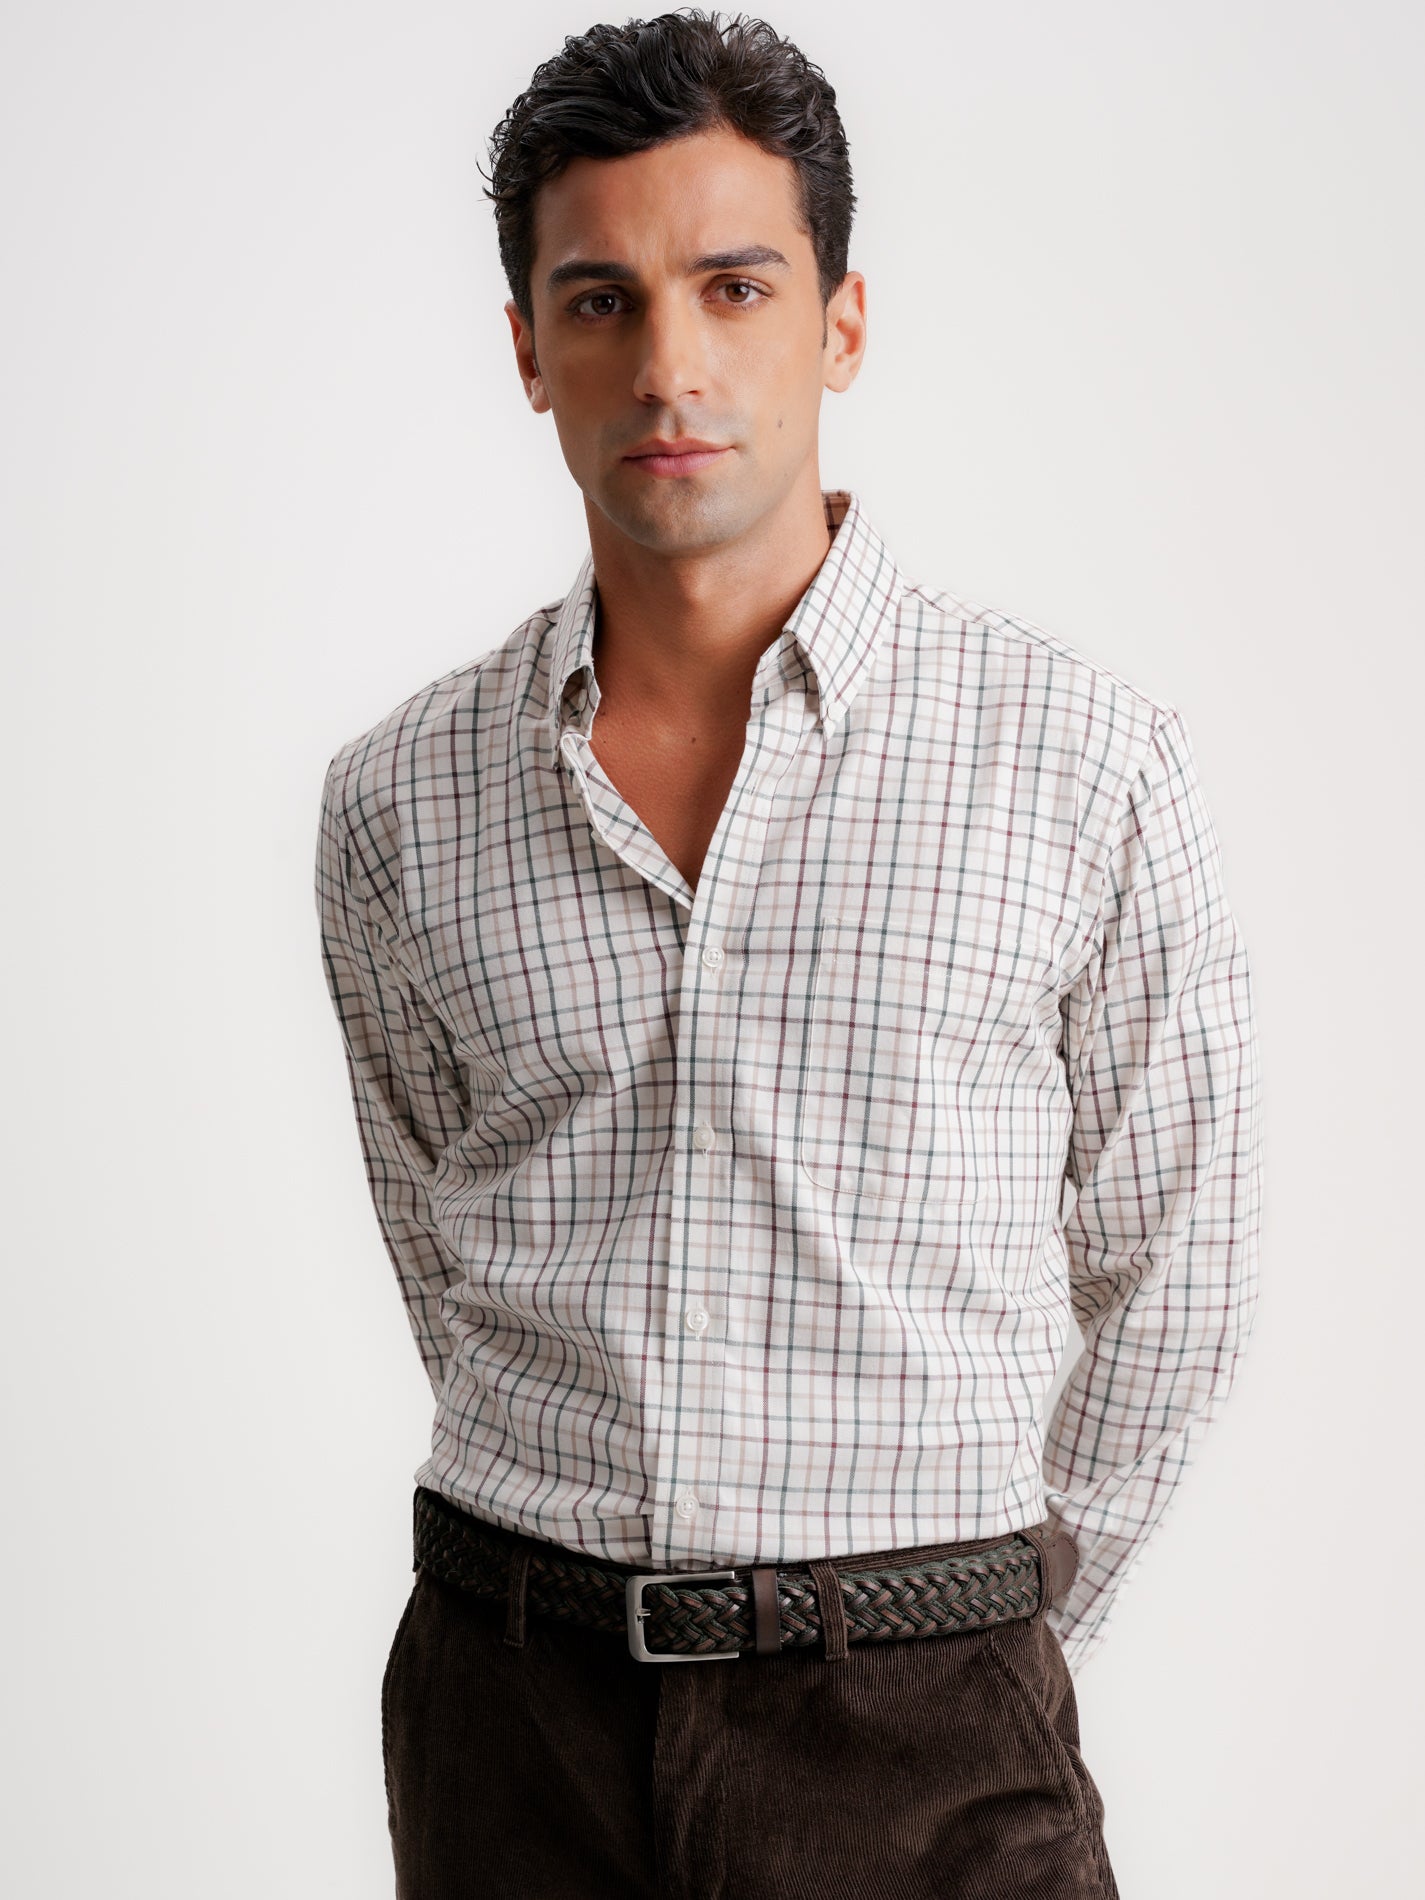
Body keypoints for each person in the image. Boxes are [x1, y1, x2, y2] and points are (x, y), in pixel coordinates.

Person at [313, 11, 1262, 1897]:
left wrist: (974, 1623)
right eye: (600, 301)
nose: (668, 365)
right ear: (528, 350)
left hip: (925, 1725)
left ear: (838, 323)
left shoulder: (1081, 762)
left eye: (733, 287)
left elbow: (1179, 1260)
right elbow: (441, 1233)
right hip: (513, 1713)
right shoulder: (398, 797)